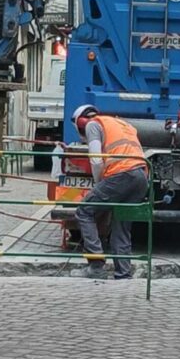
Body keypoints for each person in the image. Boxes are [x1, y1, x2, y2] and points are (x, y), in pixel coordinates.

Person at [71, 105, 150, 279]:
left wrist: (99, 184)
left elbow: (96, 160)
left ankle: (96, 265)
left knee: (84, 211)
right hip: (141, 176)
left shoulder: (93, 124)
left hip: (121, 174)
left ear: (81, 122)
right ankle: (123, 272)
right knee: (121, 225)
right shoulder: (123, 124)